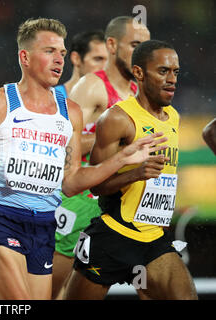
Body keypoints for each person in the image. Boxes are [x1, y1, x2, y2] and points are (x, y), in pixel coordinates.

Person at [0, 18, 168, 300]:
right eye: (49, 51)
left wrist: (123, 157)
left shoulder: (71, 113)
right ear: (25, 57)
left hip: (44, 224)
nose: (59, 60)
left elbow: (72, 182)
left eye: (62, 53)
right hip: (1, 216)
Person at [65, 40, 198, 300]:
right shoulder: (117, 119)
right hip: (113, 236)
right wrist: (135, 173)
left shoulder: (173, 117)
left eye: (175, 72)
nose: (171, 79)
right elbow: (97, 185)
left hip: (153, 238)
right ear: (139, 73)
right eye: (162, 71)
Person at [52, 17, 151, 299]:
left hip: (118, 205)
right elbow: (59, 146)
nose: (141, 53)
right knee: (50, 293)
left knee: (156, 285)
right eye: (135, 45)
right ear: (112, 46)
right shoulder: (91, 87)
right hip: (78, 202)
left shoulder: (137, 92)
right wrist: (113, 139)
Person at [51, 29, 107, 299]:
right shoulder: (54, 99)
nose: (104, 67)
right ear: (75, 58)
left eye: (108, 59)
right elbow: (57, 146)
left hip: (99, 206)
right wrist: (107, 139)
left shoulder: (112, 101)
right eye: (98, 59)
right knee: (47, 290)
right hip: (63, 201)